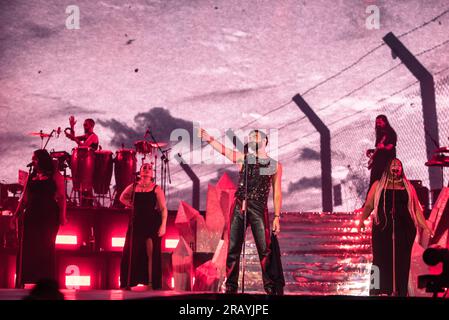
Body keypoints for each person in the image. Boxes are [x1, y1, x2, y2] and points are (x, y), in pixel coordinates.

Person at [199, 128, 283, 295]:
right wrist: (209, 139)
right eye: (252, 137)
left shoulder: (274, 165)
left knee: (265, 249)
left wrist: (277, 217)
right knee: (233, 247)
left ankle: (271, 286)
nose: (254, 139)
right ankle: (231, 286)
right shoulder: (245, 158)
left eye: (257, 136)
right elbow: (224, 151)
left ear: (265, 141)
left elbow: (277, 192)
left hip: (259, 207)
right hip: (240, 205)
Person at [357, 158, 433, 296]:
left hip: (404, 229)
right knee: (380, 260)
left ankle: (400, 291)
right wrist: (362, 220)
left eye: (399, 165)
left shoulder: (408, 186)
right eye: (393, 164)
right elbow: (369, 205)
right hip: (382, 229)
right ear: (387, 168)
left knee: (402, 261)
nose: (396, 166)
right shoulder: (378, 185)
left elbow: (416, 209)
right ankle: (377, 291)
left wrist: (425, 226)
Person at [12, 149, 67, 288]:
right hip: (31, 214)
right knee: (30, 247)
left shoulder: (55, 176)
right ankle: (29, 279)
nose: (33, 162)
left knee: (46, 246)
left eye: (35, 159)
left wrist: (63, 216)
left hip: (49, 215)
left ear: (42, 160)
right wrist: (15, 215)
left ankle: (46, 281)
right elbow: (24, 199)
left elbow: (61, 197)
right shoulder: (31, 177)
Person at [119, 163, 167, 290]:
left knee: (151, 253)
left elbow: (163, 208)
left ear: (152, 174)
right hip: (136, 222)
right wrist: (131, 204)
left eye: (149, 168)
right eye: (144, 168)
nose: (147, 170)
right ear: (140, 171)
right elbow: (122, 198)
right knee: (131, 251)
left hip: (152, 222)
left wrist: (163, 226)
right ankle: (129, 282)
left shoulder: (156, 188)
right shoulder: (134, 186)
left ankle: (152, 283)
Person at [366, 115, 397, 189]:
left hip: (386, 162)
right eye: (377, 122)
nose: (378, 124)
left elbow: (390, 146)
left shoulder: (390, 133)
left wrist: (383, 147)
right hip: (378, 162)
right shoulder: (380, 133)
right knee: (374, 184)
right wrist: (371, 151)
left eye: (380, 122)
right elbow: (379, 148)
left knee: (383, 184)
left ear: (385, 122)